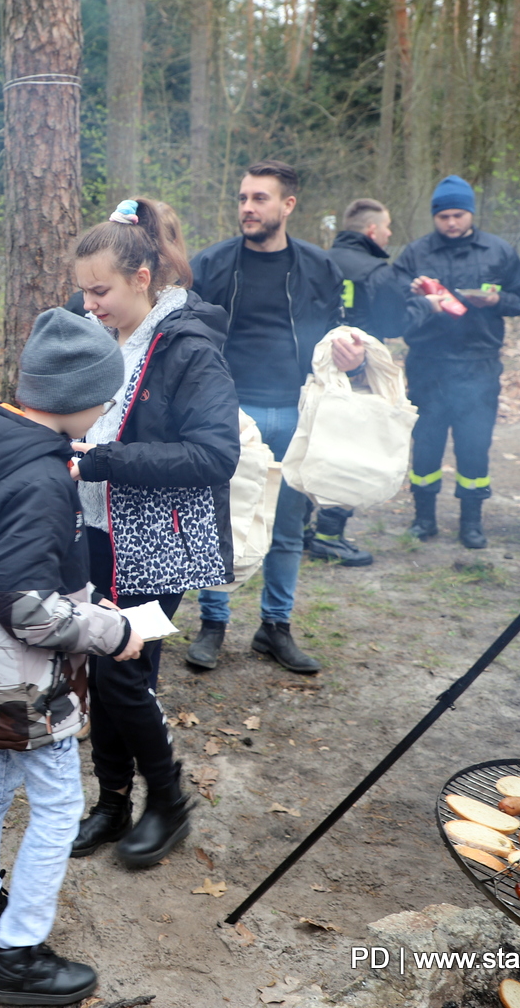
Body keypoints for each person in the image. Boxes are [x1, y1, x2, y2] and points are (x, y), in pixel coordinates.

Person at [0, 307, 139, 1007]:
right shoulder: (41, 478)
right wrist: (110, 632)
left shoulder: (1, 446)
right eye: (106, 398)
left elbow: (18, 574)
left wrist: (86, 605)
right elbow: (27, 608)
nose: (107, 409)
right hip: (18, 676)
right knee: (59, 804)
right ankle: (19, 953)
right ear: (81, 397)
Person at [64, 198, 239, 867]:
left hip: (156, 541)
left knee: (122, 678)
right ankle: (112, 801)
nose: (89, 303)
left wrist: (103, 460)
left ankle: (166, 802)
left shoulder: (187, 345)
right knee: (99, 669)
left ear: (142, 274)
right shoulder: (108, 339)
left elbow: (215, 453)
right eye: (83, 289)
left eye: (100, 289)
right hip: (98, 531)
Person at [186, 160, 363, 674]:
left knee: (288, 526)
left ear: (287, 205)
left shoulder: (319, 266)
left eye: (259, 198)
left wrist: (346, 354)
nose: (247, 207)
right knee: (224, 520)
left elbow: (334, 334)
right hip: (230, 413)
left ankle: (275, 626)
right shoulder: (213, 264)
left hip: (297, 411)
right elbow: (189, 337)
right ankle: (213, 623)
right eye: (243, 197)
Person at [384, 174, 520, 548]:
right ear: (434, 217)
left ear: (470, 213)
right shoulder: (416, 253)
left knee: (473, 445)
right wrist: (415, 295)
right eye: (444, 216)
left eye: (458, 215)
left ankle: (471, 522)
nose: (451, 222)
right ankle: (423, 519)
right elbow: (393, 303)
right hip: (428, 363)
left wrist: (496, 301)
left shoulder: (498, 251)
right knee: (427, 442)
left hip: (478, 363)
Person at [305, 197, 397, 568]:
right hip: (358, 373)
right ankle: (329, 535)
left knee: (313, 446)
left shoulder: (315, 262)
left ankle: (298, 531)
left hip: (315, 370)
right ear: (372, 231)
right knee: (350, 452)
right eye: (387, 228)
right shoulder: (376, 269)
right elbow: (393, 323)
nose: (390, 235)